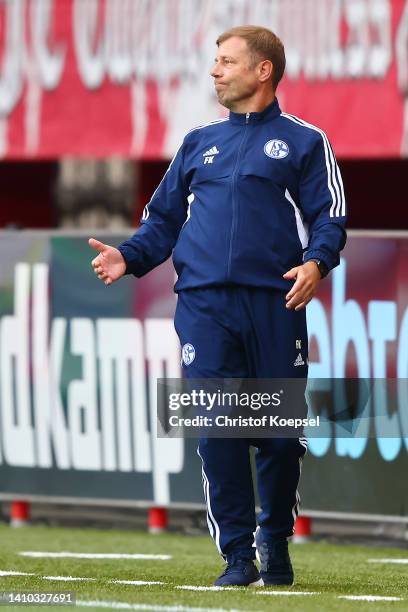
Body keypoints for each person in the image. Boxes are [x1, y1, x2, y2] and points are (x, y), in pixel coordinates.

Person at [89, 25, 347, 587]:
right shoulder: (197, 141)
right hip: (203, 306)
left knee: (278, 436)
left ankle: (274, 535)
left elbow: (329, 216)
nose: (214, 71)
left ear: (263, 71)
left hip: (275, 303)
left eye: (227, 61)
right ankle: (237, 556)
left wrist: (317, 262)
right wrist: (128, 259)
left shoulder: (306, 142)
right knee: (217, 427)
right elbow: (162, 222)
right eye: (214, 61)